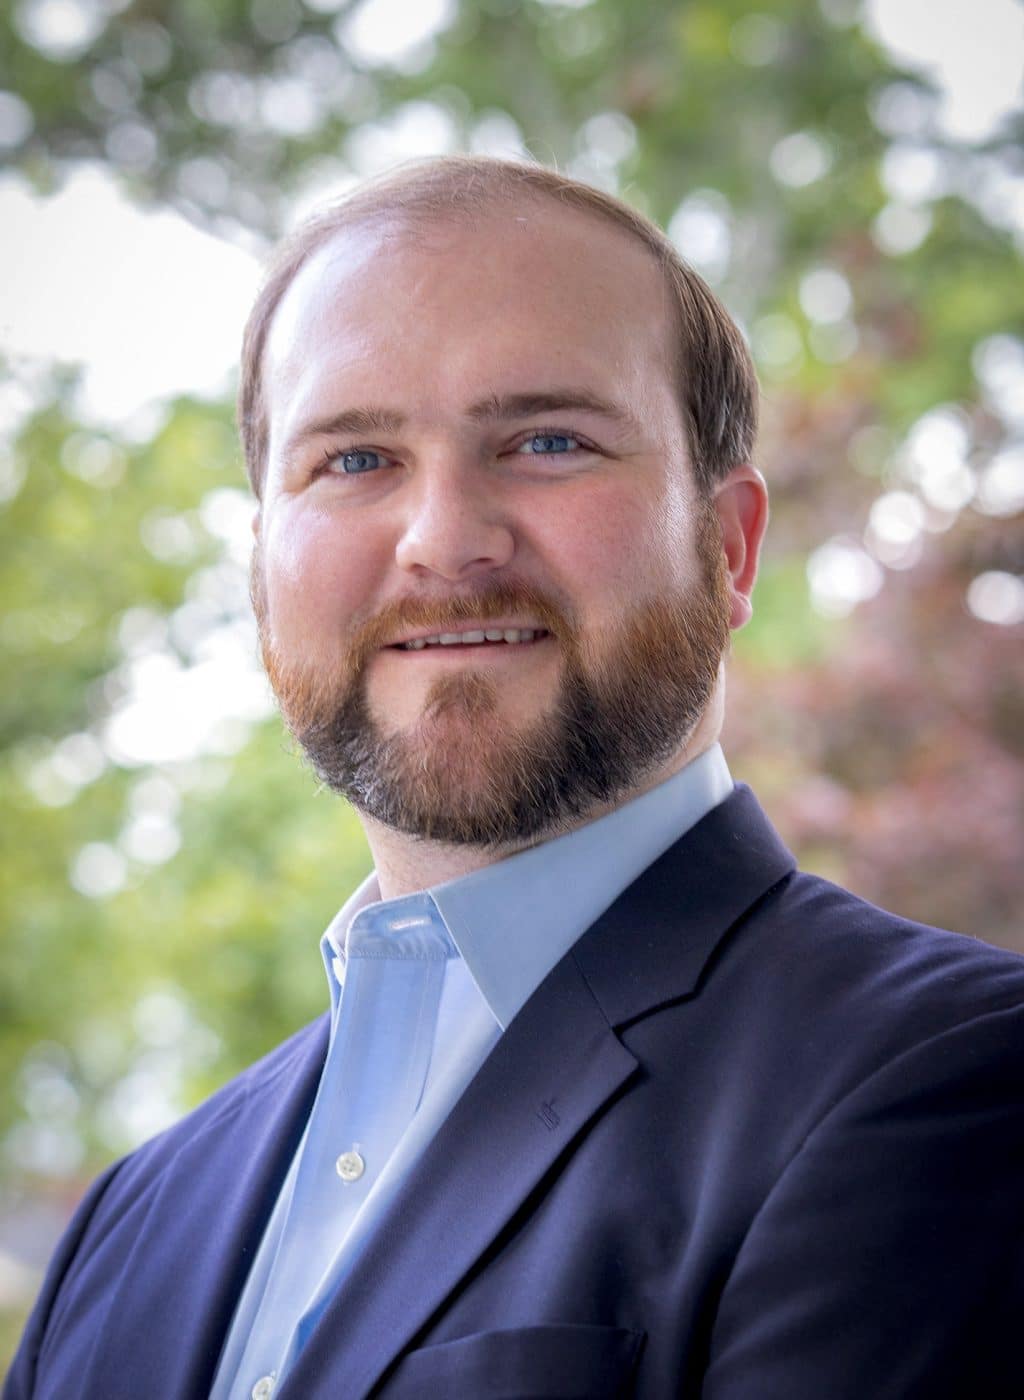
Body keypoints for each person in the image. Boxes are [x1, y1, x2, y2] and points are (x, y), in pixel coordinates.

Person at [7, 156, 1024, 1400]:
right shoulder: (128, 1226)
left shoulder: (950, 1072)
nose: (443, 538)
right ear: (262, 562)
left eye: (548, 441)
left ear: (727, 545)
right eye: (355, 459)